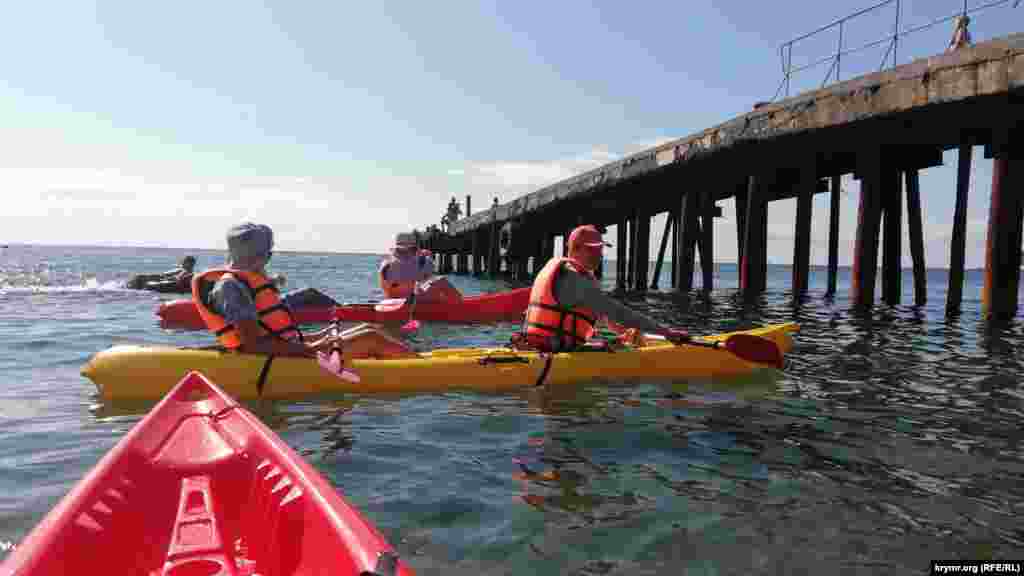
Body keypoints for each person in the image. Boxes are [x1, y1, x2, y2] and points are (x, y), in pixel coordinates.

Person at [193, 222, 416, 360]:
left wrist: (319, 337)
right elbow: (253, 346)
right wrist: (310, 349)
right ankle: (419, 366)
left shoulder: (236, 282)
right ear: (264, 255)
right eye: (267, 252)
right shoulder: (231, 286)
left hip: (282, 352)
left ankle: (411, 360)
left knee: (365, 328)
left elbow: (271, 336)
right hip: (270, 361)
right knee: (370, 337)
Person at [517, 224, 690, 352]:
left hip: (533, 346)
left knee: (614, 341)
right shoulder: (574, 279)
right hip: (550, 351)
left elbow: (606, 317)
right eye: (592, 250)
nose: (599, 255)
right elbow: (618, 312)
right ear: (575, 249)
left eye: (600, 250)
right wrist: (666, 332)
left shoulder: (562, 271)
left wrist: (627, 332)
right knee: (608, 347)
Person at [378, 232, 462, 304]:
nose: (406, 254)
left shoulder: (385, 263)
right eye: (402, 251)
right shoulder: (423, 260)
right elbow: (428, 280)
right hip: (412, 300)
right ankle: (458, 306)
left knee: (433, 282)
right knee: (441, 281)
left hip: (394, 300)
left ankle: (450, 304)